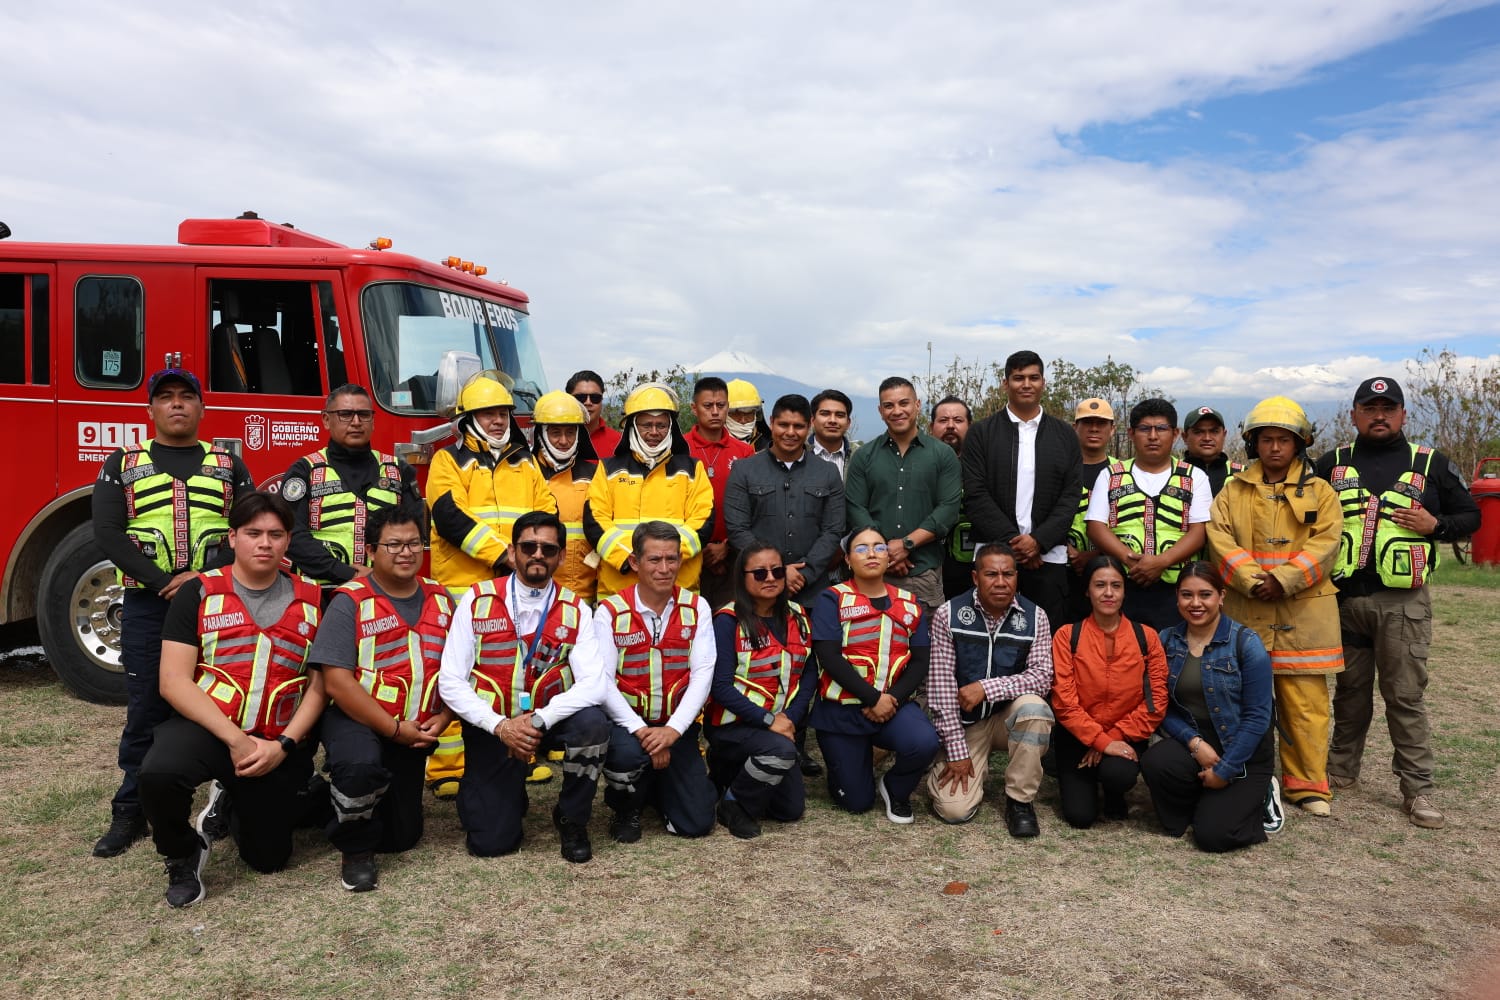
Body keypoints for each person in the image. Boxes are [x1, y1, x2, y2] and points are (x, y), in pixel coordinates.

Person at [91, 367, 256, 858]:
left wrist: (199, 580)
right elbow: (107, 532)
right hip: (148, 602)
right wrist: (164, 581)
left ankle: (224, 799)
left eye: (187, 397)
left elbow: (248, 529)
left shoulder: (229, 464)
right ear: (151, 410)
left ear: (202, 408)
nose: (177, 404)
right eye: (166, 397)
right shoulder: (121, 463)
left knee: (222, 697)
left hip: (216, 602)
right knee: (146, 706)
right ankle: (131, 811)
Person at [137, 492, 325, 907]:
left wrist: (284, 746)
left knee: (268, 860)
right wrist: (237, 742)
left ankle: (233, 798)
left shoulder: (313, 599)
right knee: (159, 773)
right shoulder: (198, 593)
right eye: (253, 533)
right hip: (209, 729)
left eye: (275, 534)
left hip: (276, 740)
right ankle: (182, 852)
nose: (265, 543)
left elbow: (319, 686)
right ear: (233, 536)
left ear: (288, 540)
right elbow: (173, 681)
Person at [1315, 376, 1480, 829]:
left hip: (1402, 603)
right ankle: (1341, 771)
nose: (1379, 415)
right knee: (1349, 693)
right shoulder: (1331, 464)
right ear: (1354, 415)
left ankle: (1418, 789)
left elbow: (1471, 517)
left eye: (1389, 408)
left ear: (1404, 415)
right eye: (1369, 408)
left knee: (1404, 697)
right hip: (1344, 600)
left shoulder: (1430, 463)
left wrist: (1436, 525)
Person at [437, 511, 611, 861]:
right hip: (493, 724)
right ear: (513, 552)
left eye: (548, 549)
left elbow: (595, 684)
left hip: (547, 720)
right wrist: (501, 727)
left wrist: (536, 721)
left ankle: (572, 818)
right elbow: (451, 681)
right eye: (528, 546)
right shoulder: (477, 599)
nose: (538, 555)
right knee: (491, 844)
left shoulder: (576, 608)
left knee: (593, 725)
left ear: (561, 556)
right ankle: (502, 793)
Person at [1206, 397, 1344, 816]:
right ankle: (1245, 775)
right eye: (1266, 439)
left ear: (1299, 443)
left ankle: (1308, 786)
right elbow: (1219, 538)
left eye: (1284, 439)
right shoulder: (1232, 491)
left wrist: (1283, 580)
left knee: (1305, 703)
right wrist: (1251, 580)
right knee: (1238, 698)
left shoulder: (1322, 492)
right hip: (1247, 610)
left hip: (1303, 614)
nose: (1275, 448)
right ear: (1253, 443)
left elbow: (1327, 543)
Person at [425, 372, 557, 795]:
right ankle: (446, 764)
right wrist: (506, 556)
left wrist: (521, 559)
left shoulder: (526, 462)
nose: (498, 420)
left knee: (516, 669)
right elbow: (448, 516)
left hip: (516, 591)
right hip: (463, 588)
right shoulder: (448, 461)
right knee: (453, 674)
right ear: (467, 419)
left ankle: (521, 753)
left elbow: (546, 514)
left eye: (502, 412)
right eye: (487, 413)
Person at [312, 504, 453, 891]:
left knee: (401, 839)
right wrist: (393, 729)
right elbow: (337, 682)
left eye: (414, 543)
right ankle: (355, 851)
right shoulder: (349, 601)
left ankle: (318, 800)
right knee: (359, 768)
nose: (405, 552)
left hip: (416, 728)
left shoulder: (441, 599)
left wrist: (442, 717)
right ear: (371, 551)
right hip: (358, 722)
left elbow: (458, 670)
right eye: (393, 545)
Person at [723, 393, 845, 777]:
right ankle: (754, 734)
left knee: (805, 666)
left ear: (808, 426)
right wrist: (774, 572)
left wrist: (803, 573)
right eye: (783, 424)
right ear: (771, 424)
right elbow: (738, 528)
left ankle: (798, 740)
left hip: (810, 590)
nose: (791, 432)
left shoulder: (827, 475)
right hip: (759, 591)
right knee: (761, 666)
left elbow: (833, 530)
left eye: (798, 425)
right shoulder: (745, 470)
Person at [596, 521, 718, 842]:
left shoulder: (698, 607)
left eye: (672, 559)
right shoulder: (610, 611)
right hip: (628, 727)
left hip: (678, 726)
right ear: (635, 563)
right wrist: (642, 731)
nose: (664, 569)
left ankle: (656, 788)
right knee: (626, 757)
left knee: (696, 825)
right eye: (654, 560)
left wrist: (673, 730)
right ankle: (626, 807)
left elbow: (703, 675)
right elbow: (603, 682)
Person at [1141, 563, 1275, 852]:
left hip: (1243, 746)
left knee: (1214, 837)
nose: (1196, 603)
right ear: (1177, 597)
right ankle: (1202, 807)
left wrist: (1225, 770)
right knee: (1156, 762)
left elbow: (1257, 718)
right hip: (1197, 738)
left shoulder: (1246, 643)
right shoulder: (1166, 640)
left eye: (1205, 594)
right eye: (1187, 595)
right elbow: (1160, 706)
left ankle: (1261, 797)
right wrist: (1194, 742)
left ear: (1221, 597)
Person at [809, 527, 940, 823]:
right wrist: (872, 698)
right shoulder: (832, 599)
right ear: (847, 559)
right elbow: (828, 656)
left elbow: (920, 660)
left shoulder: (910, 602)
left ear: (889, 557)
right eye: (862, 548)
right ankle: (850, 771)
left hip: (892, 707)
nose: (871, 554)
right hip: (842, 710)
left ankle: (895, 788)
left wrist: (890, 699)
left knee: (924, 741)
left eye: (879, 547)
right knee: (856, 802)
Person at [925, 544, 1055, 837]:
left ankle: (1020, 801)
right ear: (975, 577)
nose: (1000, 582)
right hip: (965, 723)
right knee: (954, 811)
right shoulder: (950, 614)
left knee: (1035, 708)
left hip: (1009, 717)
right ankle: (960, 763)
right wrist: (957, 752)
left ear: (1016, 577)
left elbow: (1041, 678)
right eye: (991, 574)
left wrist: (987, 688)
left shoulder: (1036, 617)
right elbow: (941, 692)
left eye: (1008, 574)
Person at [704, 543, 818, 838]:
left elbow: (808, 675)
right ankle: (732, 805)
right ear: (742, 578)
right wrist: (771, 721)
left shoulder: (798, 614)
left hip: (779, 726)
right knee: (780, 751)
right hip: (733, 727)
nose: (770, 578)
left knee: (789, 811)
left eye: (777, 571)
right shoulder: (727, 621)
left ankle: (732, 776)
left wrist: (790, 718)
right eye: (759, 572)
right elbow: (720, 687)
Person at [962, 351, 1081, 630]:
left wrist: (1038, 541)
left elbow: (1070, 495)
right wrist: (1013, 543)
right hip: (994, 557)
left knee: (1045, 637)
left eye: (1033, 377)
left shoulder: (1065, 436)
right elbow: (975, 494)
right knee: (990, 634)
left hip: (1048, 557)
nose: (1026, 384)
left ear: (1043, 383)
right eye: (1018, 378)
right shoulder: (981, 433)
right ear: (1006, 384)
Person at [1050, 555, 1168, 828]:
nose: (1108, 593)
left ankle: (1114, 791)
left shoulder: (1146, 637)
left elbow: (1156, 702)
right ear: (1087, 591)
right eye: (1100, 585)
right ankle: (1079, 777)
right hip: (1077, 737)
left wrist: (1111, 739)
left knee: (1118, 774)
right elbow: (1064, 702)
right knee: (1080, 817)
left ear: (1125, 591)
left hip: (1126, 733)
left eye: (1116, 585)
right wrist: (1098, 741)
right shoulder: (1068, 636)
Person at [282, 383, 423, 593]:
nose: (356, 422)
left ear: (373, 421)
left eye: (364, 414)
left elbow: (415, 535)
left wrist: (377, 577)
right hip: (319, 594)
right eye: (345, 414)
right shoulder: (305, 471)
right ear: (326, 420)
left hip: (385, 593)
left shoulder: (399, 471)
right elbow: (291, 536)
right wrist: (348, 574)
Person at [1085, 398, 1212, 632]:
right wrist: (1131, 560)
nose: (1153, 436)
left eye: (1161, 429)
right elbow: (1095, 526)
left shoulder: (1194, 477)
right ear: (1132, 433)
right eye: (1145, 429)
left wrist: (1161, 562)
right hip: (1122, 587)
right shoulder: (1111, 476)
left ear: (1175, 434)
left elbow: (1200, 531)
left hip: (1177, 589)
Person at [584, 383, 715, 598]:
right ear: (633, 426)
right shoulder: (608, 469)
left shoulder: (692, 468)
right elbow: (595, 521)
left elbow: (703, 521)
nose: (654, 432)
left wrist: (664, 559)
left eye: (661, 425)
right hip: (619, 589)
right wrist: (629, 558)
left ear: (671, 426)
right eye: (646, 425)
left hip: (678, 588)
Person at [845, 377, 962, 611]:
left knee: (923, 644)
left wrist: (907, 544)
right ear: (880, 411)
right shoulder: (864, 456)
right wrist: (884, 552)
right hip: (873, 572)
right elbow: (855, 507)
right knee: (868, 642)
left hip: (923, 571)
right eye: (889, 405)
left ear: (917, 405)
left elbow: (948, 509)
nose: (897, 411)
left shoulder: (942, 455)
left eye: (904, 403)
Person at [684, 376, 756, 609]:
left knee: (730, 620)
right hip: (689, 555)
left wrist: (727, 545)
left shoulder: (745, 451)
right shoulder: (680, 449)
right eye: (708, 406)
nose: (715, 412)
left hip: (733, 555)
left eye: (721, 405)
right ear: (694, 408)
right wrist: (698, 547)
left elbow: (752, 505)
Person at [530, 390, 602, 602]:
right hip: (536, 591)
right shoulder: (524, 471)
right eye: (555, 433)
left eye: (570, 432)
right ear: (541, 433)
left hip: (584, 592)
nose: (564, 440)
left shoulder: (595, 474)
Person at [1066, 398, 1117, 621]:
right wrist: (1066, 550)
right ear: (1074, 427)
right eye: (1087, 422)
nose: (1094, 428)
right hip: (1064, 569)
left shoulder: (1122, 474)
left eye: (1101, 423)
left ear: (1112, 429)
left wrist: (1094, 555)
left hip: (1110, 570)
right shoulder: (1060, 469)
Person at [930, 395, 977, 600]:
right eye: (943, 421)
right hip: (927, 563)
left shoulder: (984, 465)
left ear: (970, 425)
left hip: (973, 563)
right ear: (931, 427)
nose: (950, 426)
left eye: (958, 420)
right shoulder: (917, 465)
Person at [1183, 406, 1244, 497]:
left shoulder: (1242, 475)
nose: (1207, 438)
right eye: (1198, 432)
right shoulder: (1172, 472)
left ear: (1224, 435)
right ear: (1185, 437)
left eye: (1214, 431)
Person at [568, 369, 621, 460]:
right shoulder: (554, 442)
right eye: (581, 398)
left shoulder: (619, 443)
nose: (588, 402)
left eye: (595, 398)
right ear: (568, 399)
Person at [809, 389, 859, 479]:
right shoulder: (798, 453)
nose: (832, 420)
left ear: (848, 423)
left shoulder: (860, 457)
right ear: (812, 421)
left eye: (839, 415)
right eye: (825, 414)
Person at [726, 378, 771, 451]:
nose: (743, 420)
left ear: (757, 415)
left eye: (749, 413)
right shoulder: (711, 446)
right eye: (736, 413)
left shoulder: (770, 448)